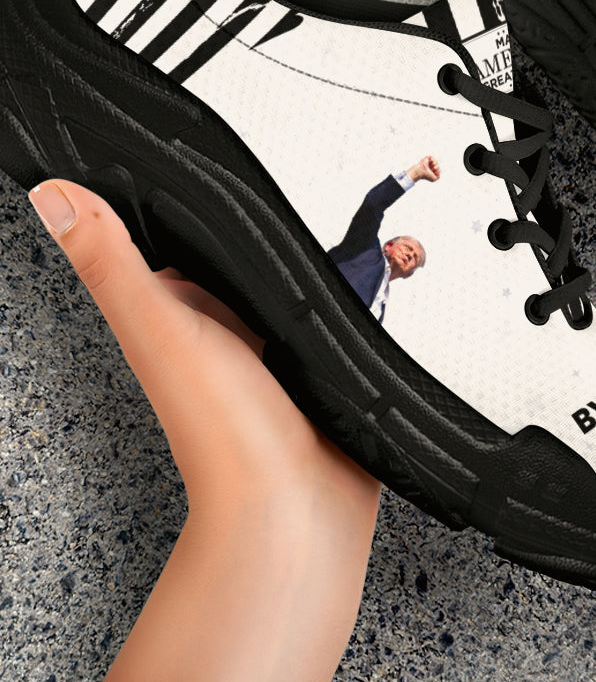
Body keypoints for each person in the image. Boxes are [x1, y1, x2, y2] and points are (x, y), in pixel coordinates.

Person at [28, 178, 380, 682]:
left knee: (289, 514)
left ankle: (292, 514)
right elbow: (371, 208)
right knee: (292, 515)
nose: (408, 256)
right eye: (408, 249)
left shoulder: (385, 293)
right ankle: (296, 515)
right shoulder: (368, 251)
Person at [328, 155, 440, 322]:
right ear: (388, 246)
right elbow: (373, 205)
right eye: (407, 247)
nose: (410, 255)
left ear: (408, 275)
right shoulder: (365, 249)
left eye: (414, 259)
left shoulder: (381, 309)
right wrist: (416, 173)